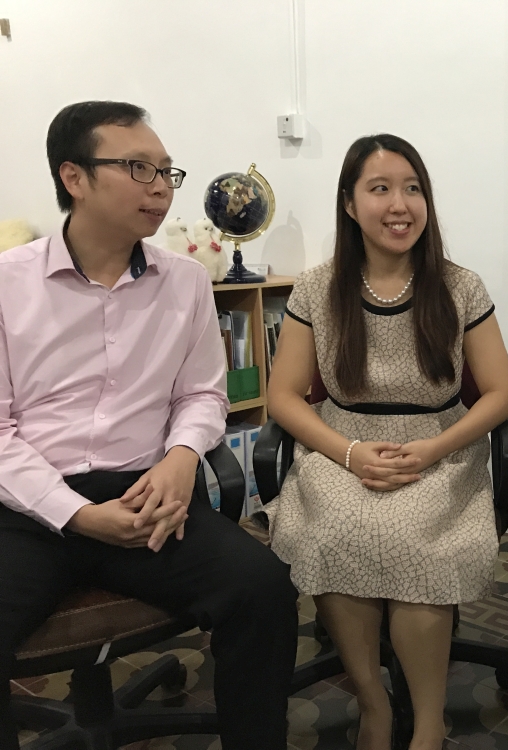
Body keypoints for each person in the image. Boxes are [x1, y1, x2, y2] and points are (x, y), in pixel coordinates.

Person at [0, 101, 299, 750]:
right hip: (29, 508)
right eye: (139, 168)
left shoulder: (186, 281)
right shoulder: (6, 284)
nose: (161, 187)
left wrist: (182, 457)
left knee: (263, 591)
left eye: (168, 171)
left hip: (149, 496)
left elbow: (202, 394)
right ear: (74, 177)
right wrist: (76, 514)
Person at [264, 134, 508, 750]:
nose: (399, 204)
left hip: (439, 445)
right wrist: (348, 454)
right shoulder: (317, 289)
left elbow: (499, 394)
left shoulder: (461, 287)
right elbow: (283, 396)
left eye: (412, 188)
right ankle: (374, 703)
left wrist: (435, 449)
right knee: (338, 529)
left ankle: (427, 723)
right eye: (379, 189)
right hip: (342, 446)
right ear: (350, 205)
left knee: (416, 541)